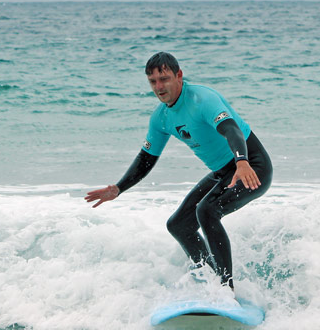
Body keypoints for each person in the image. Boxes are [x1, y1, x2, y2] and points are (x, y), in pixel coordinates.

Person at [85, 52, 273, 291]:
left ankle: (227, 288)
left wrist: (242, 161)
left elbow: (231, 130)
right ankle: (210, 280)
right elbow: (146, 159)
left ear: (179, 76)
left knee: (207, 211)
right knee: (178, 225)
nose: (159, 87)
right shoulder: (161, 118)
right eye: (153, 82)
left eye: (164, 79)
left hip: (252, 166)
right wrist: (119, 188)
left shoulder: (202, 99)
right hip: (222, 171)